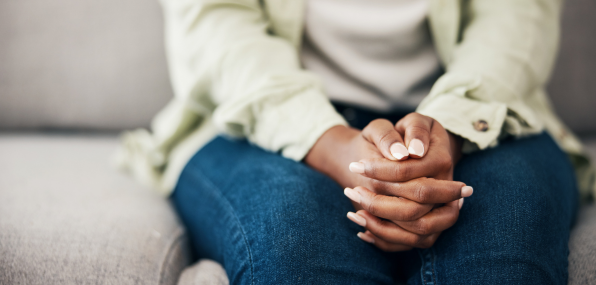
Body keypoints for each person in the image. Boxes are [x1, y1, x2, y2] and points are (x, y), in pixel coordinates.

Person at [116, 0, 596, 284]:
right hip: (257, 115)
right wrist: (328, 142)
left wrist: (449, 126)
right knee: (297, 253)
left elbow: (516, 17)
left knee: (503, 260)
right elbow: (216, 25)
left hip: (481, 114)